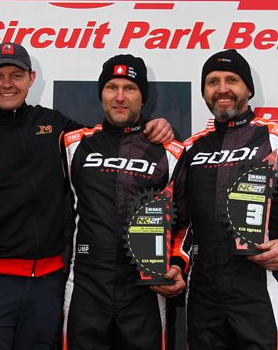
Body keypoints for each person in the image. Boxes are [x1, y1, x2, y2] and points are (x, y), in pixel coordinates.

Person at [0, 43, 173, 350]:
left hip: (47, 284)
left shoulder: (55, 126)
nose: (7, 84)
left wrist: (152, 127)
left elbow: (111, 139)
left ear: (31, 78)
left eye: (16, 75)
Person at [172, 50, 278, 350]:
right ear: (204, 92)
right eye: (213, 82)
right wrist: (176, 262)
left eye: (232, 80)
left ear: (248, 89)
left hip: (260, 285)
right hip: (202, 292)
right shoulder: (190, 149)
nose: (222, 89)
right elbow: (181, 221)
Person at [62, 54, 186, 350]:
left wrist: (177, 263)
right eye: (111, 87)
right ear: (101, 94)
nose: (119, 97)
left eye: (129, 88)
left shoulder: (171, 151)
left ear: (143, 97)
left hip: (147, 287)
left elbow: (187, 221)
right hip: (86, 285)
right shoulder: (73, 144)